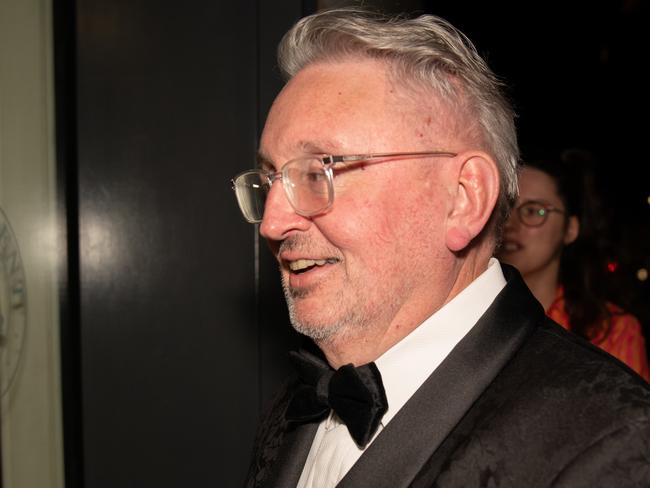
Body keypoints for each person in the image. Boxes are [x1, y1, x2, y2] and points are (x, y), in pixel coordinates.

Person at [231, 8, 650, 487]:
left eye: (318, 171)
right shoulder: (297, 403)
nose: (274, 222)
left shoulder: (612, 442)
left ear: (463, 198)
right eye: (270, 180)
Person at [498, 151, 650, 381]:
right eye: (505, 210)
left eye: (533, 211)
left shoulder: (611, 330)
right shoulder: (469, 315)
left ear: (570, 229)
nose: (511, 224)